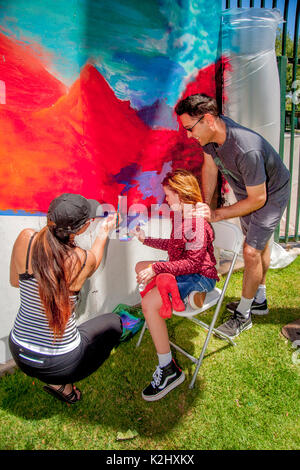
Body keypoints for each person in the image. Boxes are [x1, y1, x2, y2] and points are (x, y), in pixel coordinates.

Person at [175, 93, 290, 338]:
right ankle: (259, 298)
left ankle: (244, 315)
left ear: (207, 119)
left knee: (250, 250)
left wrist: (217, 214)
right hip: (247, 188)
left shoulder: (245, 148)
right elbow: (209, 167)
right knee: (258, 242)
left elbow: (258, 199)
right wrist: (205, 205)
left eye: (189, 128)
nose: (188, 134)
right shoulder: (209, 137)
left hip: (270, 193)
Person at [9, 193, 122, 404]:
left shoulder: (26, 237)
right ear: (83, 228)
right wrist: (105, 229)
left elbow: (15, 282)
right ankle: (62, 382)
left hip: (19, 351)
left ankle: (58, 384)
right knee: (114, 323)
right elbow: (94, 258)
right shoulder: (80, 259)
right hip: (62, 363)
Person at [134, 169, 219, 401]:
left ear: (181, 195)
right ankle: (178, 297)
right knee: (141, 266)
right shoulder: (181, 217)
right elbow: (174, 248)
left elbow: (192, 264)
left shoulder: (198, 224)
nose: (166, 200)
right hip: (184, 269)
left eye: (169, 196)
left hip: (200, 275)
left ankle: (169, 369)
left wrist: (159, 269)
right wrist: (146, 239)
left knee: (149, 302)